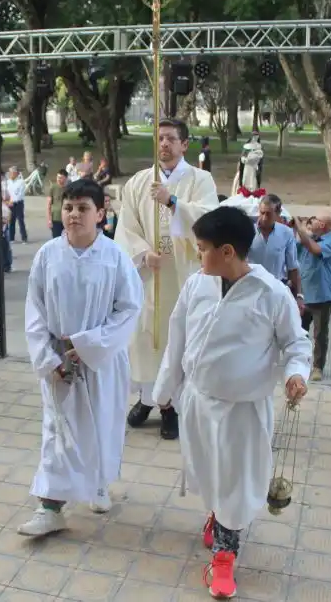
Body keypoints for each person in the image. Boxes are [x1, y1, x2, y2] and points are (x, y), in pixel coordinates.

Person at [152, 206, 311, 599]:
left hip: (242, 409)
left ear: (227, 251)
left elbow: (295, 343)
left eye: (202, 248)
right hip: (200, 401)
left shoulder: (271, 293)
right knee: (208, 473)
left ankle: (225, 557)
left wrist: (296, 374)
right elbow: (178, 338)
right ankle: (218, 515)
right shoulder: (196, 285)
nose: (197, 254)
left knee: (236, 483)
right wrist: (166, 389)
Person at [21, 178, 144, 536]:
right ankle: (50, 506)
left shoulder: (115, 258)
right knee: (57, 431)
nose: (74, 215)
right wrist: (49, 358)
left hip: (101, 362)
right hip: (60, 364)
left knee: (102, 426)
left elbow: (128, 310)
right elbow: (35, 310)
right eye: (69, 207)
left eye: (83, 208)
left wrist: (89, 344)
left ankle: (99, 483)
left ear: (101, 214)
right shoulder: (48, 255)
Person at [116, 118, 219, 440]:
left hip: (184, 274)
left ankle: (171, 406)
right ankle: (147, 399)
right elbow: (126, 227)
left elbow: (209, 220)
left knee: (177, 340)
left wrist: (173, 201)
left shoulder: (200, 180)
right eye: (159, 138)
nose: (164, 144)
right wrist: (144, 253)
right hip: (148, 275)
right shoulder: (138, 182)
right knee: (145, 338)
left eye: (171, 139)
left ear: (184, 144)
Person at [294, 213, 331, 382]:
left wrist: (301, 229)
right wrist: (295, 230)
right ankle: (300, 363)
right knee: (300, 332)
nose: (310, 221)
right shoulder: (310, 238)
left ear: (322, 225)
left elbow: (314, 250)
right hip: (304, 294)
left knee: (320, 334)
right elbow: (294, 249)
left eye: (313, 219)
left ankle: (318, 367)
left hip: (322, 294)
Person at [248, 195, 303, 313]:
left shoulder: (286, 233)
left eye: (268, 214)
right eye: (262, 213)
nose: (263, 217)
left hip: (276, 289)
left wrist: (299, 295)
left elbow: (292, 266)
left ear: (278, 213)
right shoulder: (248, 231)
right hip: (251, 288)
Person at [5, 166, 28, 244]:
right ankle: (11, 238)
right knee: (11, 221)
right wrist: (8, 201)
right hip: (10, 204)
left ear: (16, 173)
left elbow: (20, 193)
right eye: (10, 172)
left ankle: (24, 238)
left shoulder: (21, 182)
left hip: (18, 203)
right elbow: (6, 193)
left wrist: (13, 201)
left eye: (12, 172)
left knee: (20, 220)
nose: (10, 174)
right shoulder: (8, 182)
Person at [46, 169, 69, 238]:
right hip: (55, 218)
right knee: (56, 239)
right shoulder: (53, 187)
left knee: (67, 239)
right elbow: (48, 204)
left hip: (67, 218)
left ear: (66, 178)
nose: (58, 179)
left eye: (61, 178)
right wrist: (49, 219)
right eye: (58, 177)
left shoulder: (69, 188)